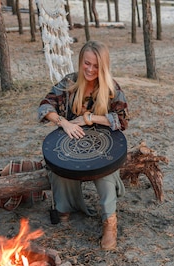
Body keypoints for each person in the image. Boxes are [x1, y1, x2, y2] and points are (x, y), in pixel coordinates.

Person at [38, 40, 129, 251]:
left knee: (104, 172)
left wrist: (91, 118)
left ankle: (110, 223)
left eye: (96, 66)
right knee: (60, 168)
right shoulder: (69, 82)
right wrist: (64, 123)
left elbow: (123, 120)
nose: (90, 69)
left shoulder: (112, 88)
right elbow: (45, 106)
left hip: (103, 145)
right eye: (86, 63)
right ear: (80, 61)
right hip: (72, 142)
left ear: (103, 66)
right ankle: (64, 208)